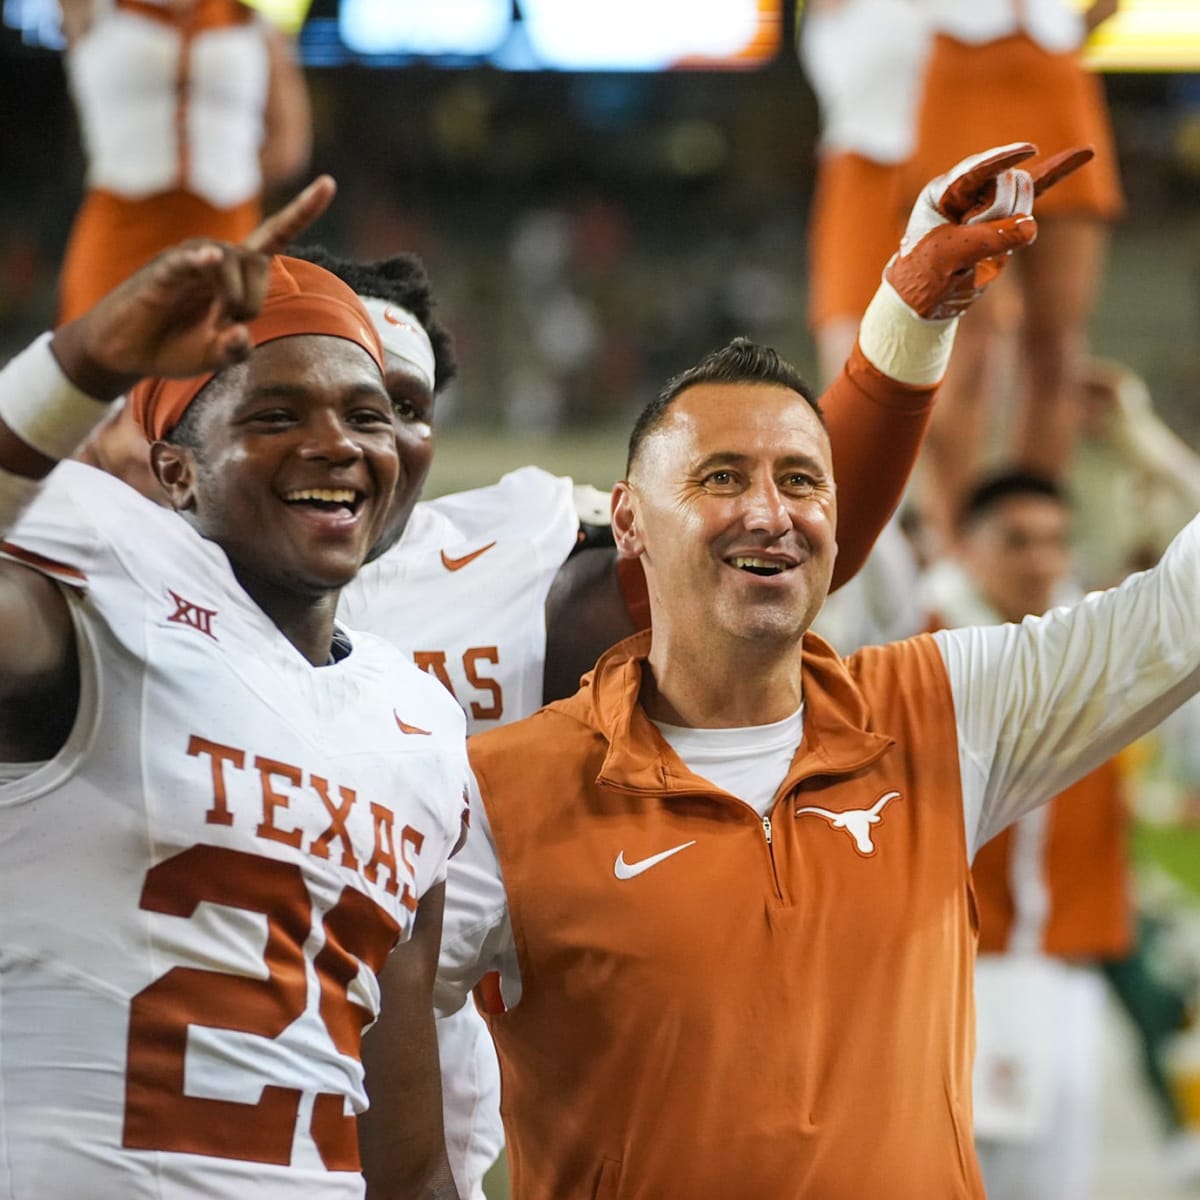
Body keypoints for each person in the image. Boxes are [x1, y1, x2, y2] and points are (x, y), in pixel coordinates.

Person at [308, 142, 1070, 1199]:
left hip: (445, 1106)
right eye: (319, 397)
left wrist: (903, 324)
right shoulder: (145, 581)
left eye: (402, 400)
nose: (365, 437)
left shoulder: (516, 540)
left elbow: (760, 559)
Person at [0, 182, 466, 1198]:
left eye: (367, 414)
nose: (338, 443)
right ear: (175, 474)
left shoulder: (420, 724)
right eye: (276, 413)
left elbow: (410, 1160)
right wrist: (85, 362)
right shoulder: (90, 613)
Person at [924, 471, 1133, 1200]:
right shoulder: (921, 649)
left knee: (1058, 1183)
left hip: (1069, 966)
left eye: (1053, 541)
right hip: (953, 968)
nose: (1040, 560)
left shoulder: (1100, 648)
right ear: (968, 551)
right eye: (1016, 541)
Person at [907, 0, 1124, 552]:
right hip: (963, 79)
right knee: (970, 352)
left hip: (1057, 80)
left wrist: (1068, 28)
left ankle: (1037, 537)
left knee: (1058, 349)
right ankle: (958, 550)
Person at [56, 0, 312, 322]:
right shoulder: (90, 7)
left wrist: (232, 175)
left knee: (226, 363)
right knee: (92, 357)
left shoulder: (258, 16)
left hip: (227, 233)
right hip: (121, 233)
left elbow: (288, 148)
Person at [800, 0, 931, 387]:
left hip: (947, 166)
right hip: (862, 168)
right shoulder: (846, 12)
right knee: (852, 349)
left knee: (966, 347)